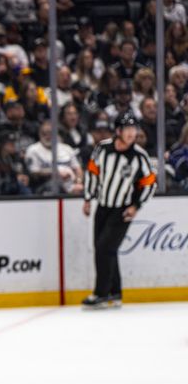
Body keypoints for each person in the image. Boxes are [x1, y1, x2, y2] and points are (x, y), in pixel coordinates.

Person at [80, 112, 156, 309]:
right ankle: (115, 292)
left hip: (122, 210)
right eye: (128, 129)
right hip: (103, 207)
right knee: (104, 249)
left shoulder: (139, 156)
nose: (132, 134)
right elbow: (92, 173)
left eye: (134, 129)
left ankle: (101, 294)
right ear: (118, 131)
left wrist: (136, 206)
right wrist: (88, 198)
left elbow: (149, 183)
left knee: (105, 249)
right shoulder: (102, 148)